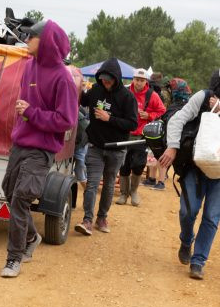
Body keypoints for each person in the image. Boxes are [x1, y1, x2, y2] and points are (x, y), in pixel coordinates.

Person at [0, 20, 78, 278]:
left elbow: (66, 120)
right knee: (9, 191)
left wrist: (32, 113)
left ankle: (14, 257)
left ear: (44, 42)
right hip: (20, 142)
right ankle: (32, 237)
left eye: (31, 36)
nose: (26, 39)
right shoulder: (29, 66)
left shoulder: (63, 78)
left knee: (22, 196)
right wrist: (25, 114)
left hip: (42, 148)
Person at [159, 70, 220, 280]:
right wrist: (173, 147)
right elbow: (177, 120)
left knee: (212, 217)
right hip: (195, 165)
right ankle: (186, 241)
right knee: (188, 211)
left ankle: (198, 261)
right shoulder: (202, 97)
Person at [74, 58, 138, 236]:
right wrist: (75, 84)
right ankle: (87, 220)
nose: (105, 82)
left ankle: (102, 218)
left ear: (116, 78)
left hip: (116, 150)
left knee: (109, 185)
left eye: (108, 79)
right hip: (95, 146)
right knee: (92, 184)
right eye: (102, 78)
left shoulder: (127, 97)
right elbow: (81, 100)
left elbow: (132, 124)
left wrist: (109, 118)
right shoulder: (96, 90)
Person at [116, 68, 165, 206]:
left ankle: (134, 192)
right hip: (125, 134)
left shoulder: (152, 95)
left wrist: (149, 115)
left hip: (142, 136)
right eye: (137, 79)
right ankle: (124, 194)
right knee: (124, 165)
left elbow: (162, 110)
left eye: (142, 80)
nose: (138, 83)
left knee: (138, 165)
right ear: (133, 79)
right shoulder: (125, 91)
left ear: (146, 81)